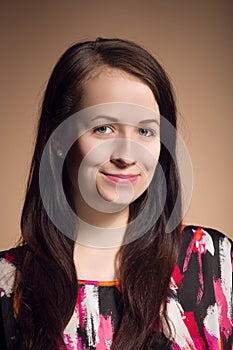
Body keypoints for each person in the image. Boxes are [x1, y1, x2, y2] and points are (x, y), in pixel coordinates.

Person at [0, 38, 232, 350]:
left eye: (146, 131)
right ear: (58, 139)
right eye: (103, 129)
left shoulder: (211, 263)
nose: (126, 154)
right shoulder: (8, 284)